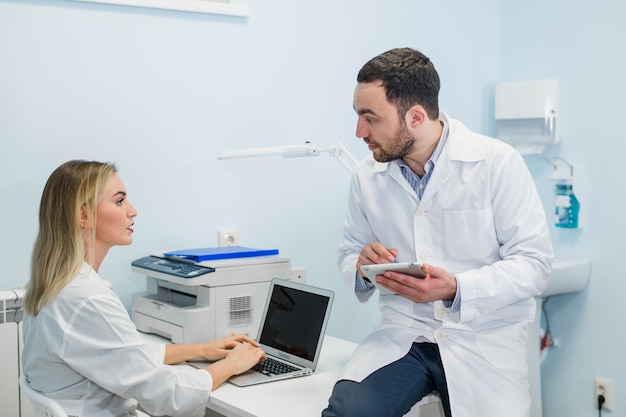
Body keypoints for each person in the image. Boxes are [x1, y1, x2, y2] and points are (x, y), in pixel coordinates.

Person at [322, 48, 554, 417]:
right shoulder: (368, 175)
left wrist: (456, 288)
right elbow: (349, 250)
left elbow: (534, 264)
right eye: (358, 117)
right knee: (349, 411)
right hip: (404, 334)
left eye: (370, 118)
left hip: (482, 337)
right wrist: (362, 265)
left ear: (415, 117)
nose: (359, 132)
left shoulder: (496, 163)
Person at [22, 160, 266, 417]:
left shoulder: (52, 285)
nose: (133, 211)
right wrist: (231, 364)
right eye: (119, 201)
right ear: (83, 216)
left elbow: (123, 354)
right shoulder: (86, 299)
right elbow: (170, 395)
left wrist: (202, 350)